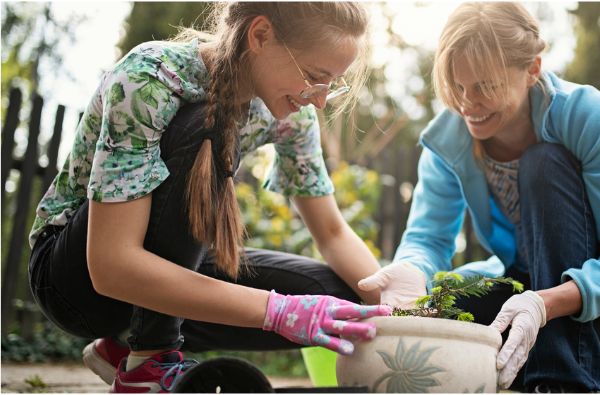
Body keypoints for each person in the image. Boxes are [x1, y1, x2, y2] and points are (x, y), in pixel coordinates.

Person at [27, 3, 392, 393]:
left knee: (344, 301)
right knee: (208, 126)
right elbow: (111, 266)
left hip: (161, 272)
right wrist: (276, 311)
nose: (319, 101)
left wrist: (399, 310)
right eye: (314, 78)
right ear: (260, 35)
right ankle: (149, 362)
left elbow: (333, 233)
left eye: (331, 85)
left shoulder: (292, 116)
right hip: (77, 283)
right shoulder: (151, 78)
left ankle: (122, 350)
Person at [358, 2, 600, 392]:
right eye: (457, 87)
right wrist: (412, 268)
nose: (467, 104)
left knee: (543, 162)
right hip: (529, 285)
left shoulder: (587, 118)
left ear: (532, 70)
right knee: (446, 305)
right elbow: (428, 238)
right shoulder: (448, 140)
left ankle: (560, 384)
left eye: (485, 86)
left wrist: (545, 303)